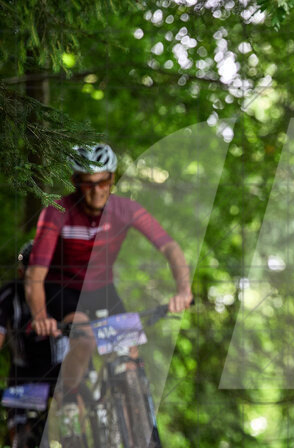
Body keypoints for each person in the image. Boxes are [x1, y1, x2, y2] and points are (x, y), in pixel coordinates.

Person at [25, 143, 193, 404]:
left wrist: (183, 290)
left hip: (103, 290)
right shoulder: (56, 212)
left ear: (112, 179)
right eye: (88, 183)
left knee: (130, 355)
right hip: (63, 290)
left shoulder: (125, 209)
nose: (96, 191)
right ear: (75, 182)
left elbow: (170, 247)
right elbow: (35, 275)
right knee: (86, 338)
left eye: (103, 182)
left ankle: (138, 429)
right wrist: (40, 315)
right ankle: (68, 401)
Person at [0, 241, 64, 448]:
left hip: (54, 369)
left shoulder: (59, 291)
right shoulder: (9, 295)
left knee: (71, 405)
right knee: (18, 426)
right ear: (21, 272)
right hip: (23, 372)